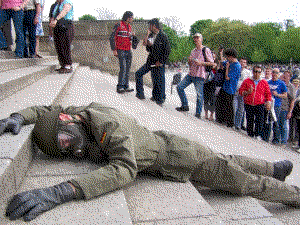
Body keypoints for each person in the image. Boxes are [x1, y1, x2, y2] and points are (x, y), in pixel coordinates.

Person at [0, 102, 297, 222]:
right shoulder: (77, 115)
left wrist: (60, 191)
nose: (70, 148)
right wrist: (18, 117)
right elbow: (46, 109)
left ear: (68, 122)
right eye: (64, 149)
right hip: (167, 149)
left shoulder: (106, 126)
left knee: (242, 182)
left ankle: (294, 196)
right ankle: (275, 167)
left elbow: (125, 170)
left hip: (181, 157)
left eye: (65, 140)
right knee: (226, 161)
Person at [175, 33, 216, 119]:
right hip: (191, 74)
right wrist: (190, 61)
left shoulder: (206, 50)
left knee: (199, 95)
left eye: (197, 38)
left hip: (200, 75)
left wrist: (201, 63)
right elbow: (190, 65)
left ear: (201, 39)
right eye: (195, 38)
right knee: (179, 87)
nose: (196, 39)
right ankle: (185, 105)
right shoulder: (193, 51)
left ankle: (198, 113)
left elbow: (212, 63)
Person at [135, 18, 170, 106]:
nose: (148, 27)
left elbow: (167, 50)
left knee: (159, 80)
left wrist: (161, 61)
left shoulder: (163, 36)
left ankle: (160, 99)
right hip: (151, 61)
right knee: (139, 74)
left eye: (150, 25)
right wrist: (148, 44)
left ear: (154, 26)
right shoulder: (150, 35)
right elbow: (148, 49)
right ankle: (140, 94)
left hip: (159, 62)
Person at [239, 66, 272, 139]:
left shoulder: (264, 82)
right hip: (249, 103)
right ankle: (250, 134)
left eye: (259, 72)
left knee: (259, 120)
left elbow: (268, 94)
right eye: (255, 71)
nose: (257, 73)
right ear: (253, 72)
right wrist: (247, 92)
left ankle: (257, 134)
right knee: (249, 119)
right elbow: (241, 91)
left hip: (259, 103)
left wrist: (268, 102)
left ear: (261, 73)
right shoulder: (247, 81)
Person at [109, 11, 136, 94]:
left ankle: (126, 86)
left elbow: (129, 38)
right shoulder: (118, 25)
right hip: (120, 50)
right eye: (132, 17)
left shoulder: (130, 27)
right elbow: (112, 37)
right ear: (128, 17)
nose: (132, 19)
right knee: (123, 68)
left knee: (127, 68)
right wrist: (114, 50)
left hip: (128, 50)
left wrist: (133, 36)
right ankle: (120, 87)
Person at [215, 49, 241, 127]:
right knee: (220, 102)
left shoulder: (237, 66)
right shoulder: (229, 62)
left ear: (231, 57)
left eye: (227, 57)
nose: (227, 58)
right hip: (225, 86)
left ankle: (229, 122)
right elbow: (222, 62)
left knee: (228, 105)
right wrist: (221, 54)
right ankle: (220, 119)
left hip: (231, 88)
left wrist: (227, 68)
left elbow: (227, 77)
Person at [263, 68, 288, 144]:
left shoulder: (281, 83)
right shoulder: (268, 82)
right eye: (273, 72)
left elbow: (285, 95)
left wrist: (277, 94)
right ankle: (266, 137)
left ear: (278, 74)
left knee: (275, 122)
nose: (274, 74)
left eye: (276, 73)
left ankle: (276, 139)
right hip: (268, 103)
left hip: (276, 105)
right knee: (267, 121)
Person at [49, 0, 74, 74]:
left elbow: (64, 11)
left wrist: (56, 19)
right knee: (58, 46)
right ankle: (63, 64)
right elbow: (53, 15)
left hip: (66, 25)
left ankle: (68, 65)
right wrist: (51, 24)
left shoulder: (67, 2)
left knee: (65, 45)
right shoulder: (57, 5)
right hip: (57, 26)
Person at [234, 58, 251, 131]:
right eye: (241, 62)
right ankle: (233, 123)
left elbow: (250, 82)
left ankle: (238, 125)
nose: (242, 63)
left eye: (244, 62)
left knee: (241, 110)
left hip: (243, 93)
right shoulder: (235, 69)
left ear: (246, 64)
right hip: (235, 91)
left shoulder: (248, 72)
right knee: (234, 108)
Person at [279, 71, 295, 145]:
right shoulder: (280, 83)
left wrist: (290, 111)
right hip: (278, 106)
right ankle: (277, 139)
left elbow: (292, 100)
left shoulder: (291, 87)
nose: (285, 77)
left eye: (287, 76)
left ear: (290, 77)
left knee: (284, 125)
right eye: (284, 76)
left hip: (285, 108)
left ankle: (283, 141)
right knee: (277, 124)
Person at [203, 51, 217, 121]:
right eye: (211, 57)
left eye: (214, 57)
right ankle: (206, 113)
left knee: (212, 99)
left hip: (213, 83)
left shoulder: (216, 65)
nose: (213, 58)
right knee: (205, 98)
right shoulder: (206, 64)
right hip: (206, 82)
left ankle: (211, 114)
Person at [289, 78, 300, 145]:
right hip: (291, 108)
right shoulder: (291, 89)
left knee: (296, 125)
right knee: (291, 124)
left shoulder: (299, 90)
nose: (295, 84)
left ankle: (295, 139)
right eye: (294, 82)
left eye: (297, 82)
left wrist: (295, 100)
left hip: (297, 109)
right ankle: (290, 137)